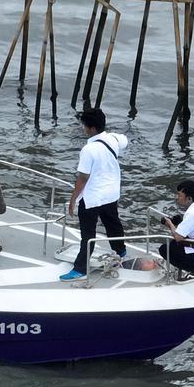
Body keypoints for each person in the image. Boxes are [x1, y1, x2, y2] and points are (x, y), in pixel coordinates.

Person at [61, 107, 128, 281]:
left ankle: (80, 268)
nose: (83, 129)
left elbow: (83, 178)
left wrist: (73, 199)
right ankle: (120, 250)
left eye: (84, 126)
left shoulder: (88, 149)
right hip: (111, 193)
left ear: (91, 128)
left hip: (93, 197)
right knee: (113, 224)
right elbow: (124, 140)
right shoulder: (113, 139)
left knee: (88, 234)